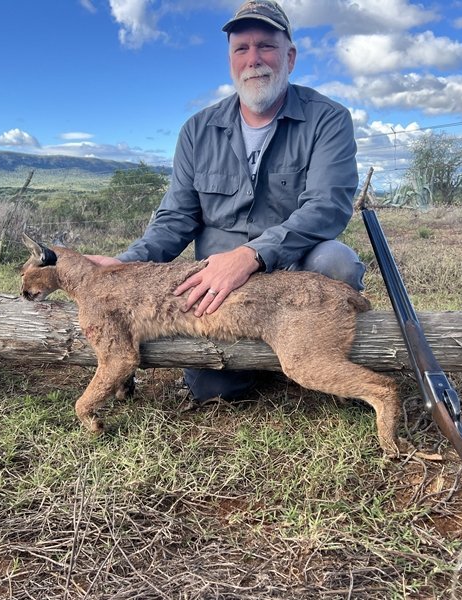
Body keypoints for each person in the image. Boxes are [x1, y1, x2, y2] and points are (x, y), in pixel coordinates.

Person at [85, 0, 366, 403]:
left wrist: (251, 255)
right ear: (231, 60)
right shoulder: (197, 130)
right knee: (215, 390)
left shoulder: (328, 119)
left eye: (266, 46)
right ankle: (276, 361)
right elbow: (175, 218)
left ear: (290, 56)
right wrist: (127, 263)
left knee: (336, 262)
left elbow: (328, 206)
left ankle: (321, 359)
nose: (254, 59)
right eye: (242, 49)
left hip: (294, 266)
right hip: (216, 283)